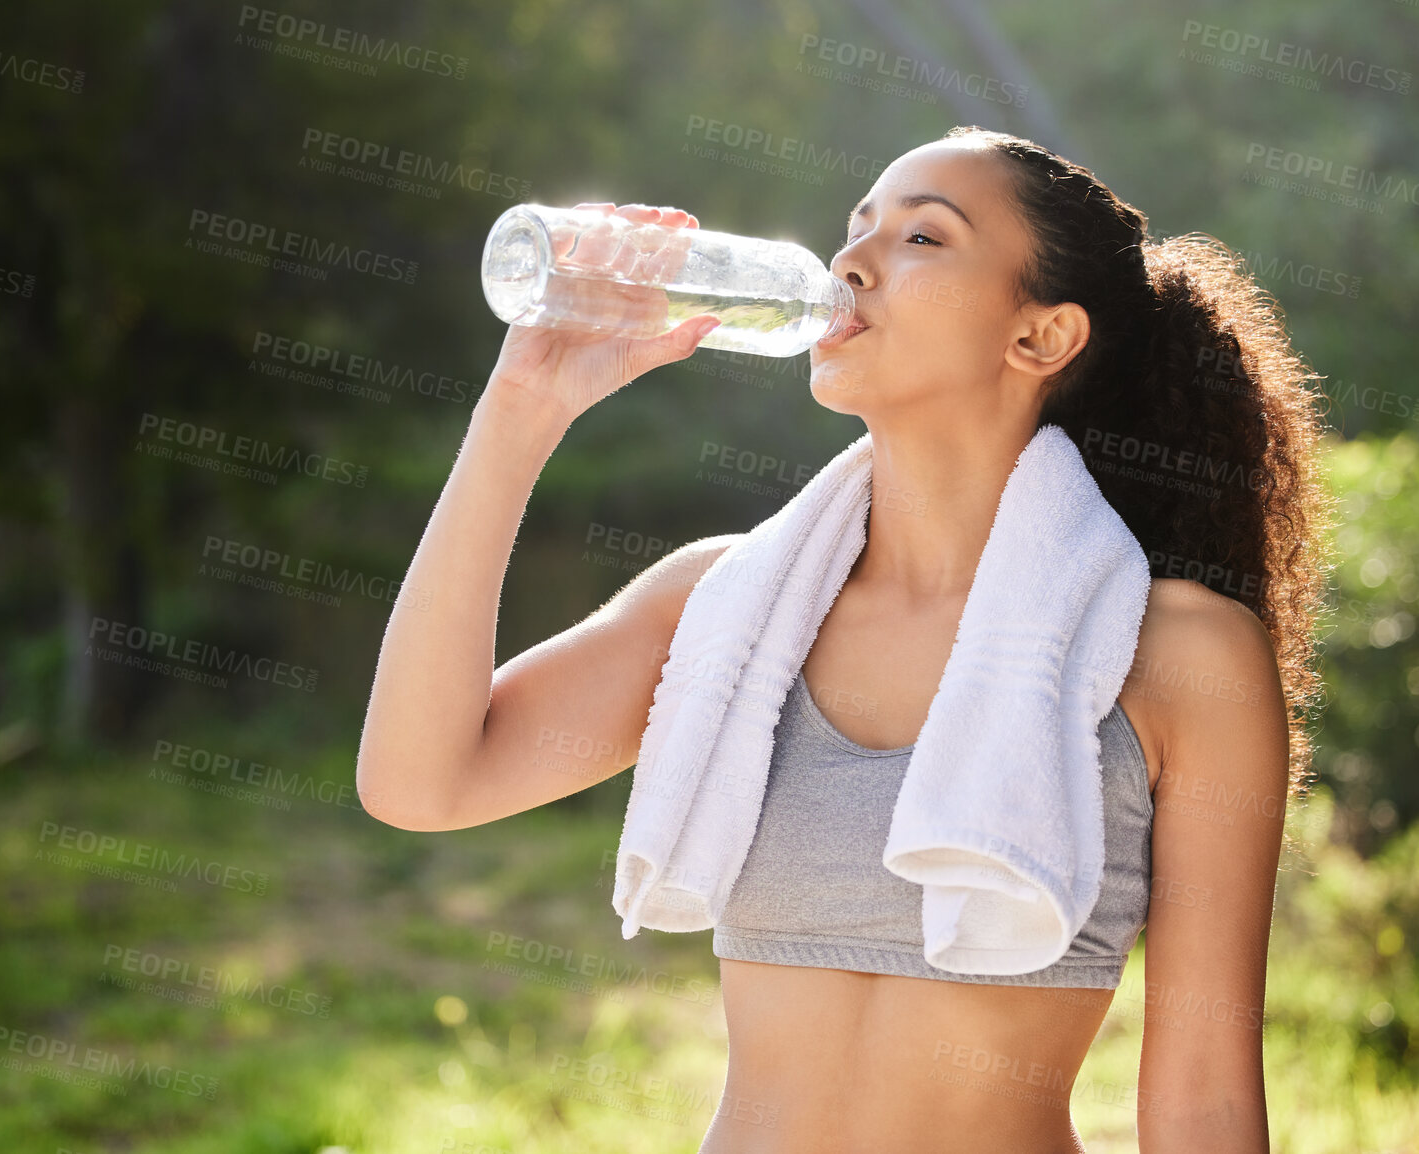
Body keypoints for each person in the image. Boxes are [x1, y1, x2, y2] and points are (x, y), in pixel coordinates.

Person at [356, 126, 1331, 1153]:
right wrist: (523, 410)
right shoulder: (727, 606)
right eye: (855, 228)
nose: (853, 262)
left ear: (1040, 337)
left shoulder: (1180, 655)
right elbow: (421, 781)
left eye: (922, 237)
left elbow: (1204, 1101)